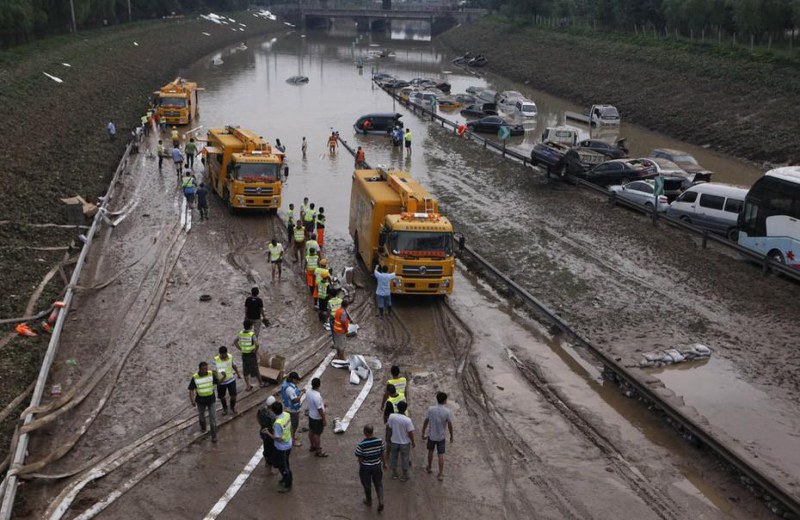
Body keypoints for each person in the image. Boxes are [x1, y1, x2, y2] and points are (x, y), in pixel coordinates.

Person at [422, 391, 454, 481]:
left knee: (430, 451)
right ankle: (440, 474)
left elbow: (426, 421)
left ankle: (429, 467)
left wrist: (423, 432)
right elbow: (450, 425)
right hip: (441, 436)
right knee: (440, 455)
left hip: (431, 435)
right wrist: (451, 436)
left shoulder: (431, 409)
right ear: (445, 401)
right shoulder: (447, 411)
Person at [355, 424, 386, 512]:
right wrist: (384, 464)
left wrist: (361, 467)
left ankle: (369, 500)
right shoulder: (380, 441)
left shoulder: (361, 445)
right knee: (378, 484)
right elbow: (382, 453)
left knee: (367, 485)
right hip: (377, 465)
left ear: (365, 432)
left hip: (366, 467)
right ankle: (381, 501)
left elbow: (360, 458)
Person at [265, 401, 293, 493]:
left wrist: (268, 433)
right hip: (288, 442)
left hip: (282, 447)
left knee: (283, 466)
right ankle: (285, 479)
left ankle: (288, 484)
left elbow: (278, 438)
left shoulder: (277, 423)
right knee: (285, 463)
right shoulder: (286, 414)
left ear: (274, 411)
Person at [188, 362, 218, 442]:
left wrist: (221, 375)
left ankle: (214, 436)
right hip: (200, 400)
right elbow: (191, 390)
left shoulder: (211, 374)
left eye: (207, 368)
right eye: (204, 369)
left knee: (213, 417)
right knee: (201, 415)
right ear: (200, 369)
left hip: (211, 399)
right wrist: (192, 400)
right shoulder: (195, 377)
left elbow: (218, 382)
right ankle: (203, 428)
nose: (206, 370)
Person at [386, 401, 415, 481]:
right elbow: (410, 433)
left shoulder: (392, 416)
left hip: (394, 441)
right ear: (405, 409)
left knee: (393, 457)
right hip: (405, 443)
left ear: (397, 407)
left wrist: (388, 438)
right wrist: (413, 442)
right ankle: (404, 475)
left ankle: (394, 473)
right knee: (405, 458)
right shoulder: (408, 420)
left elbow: (389, 428)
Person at [233, 319, 261, 390]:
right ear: (251, 326)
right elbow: (257, 344)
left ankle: (248, 386)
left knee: (245, 370)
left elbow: (235, 342)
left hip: (244, 354)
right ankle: (261, 383)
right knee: (255, 369)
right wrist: (255, 351)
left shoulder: (241, 333)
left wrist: (241, 348)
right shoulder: (251, 334)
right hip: (251, 354)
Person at [213, 346, 240, 415]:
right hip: (221, 382)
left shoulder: (230, 357)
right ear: (220, 354)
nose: (224, 356)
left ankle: (232, 407)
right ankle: (225, 409)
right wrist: (218, 378)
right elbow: (214, 371)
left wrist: (237, 373)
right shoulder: (215, 360)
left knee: (233, 396)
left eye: (225, 354)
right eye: (223, 354)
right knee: (222, 397)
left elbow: (233, 365)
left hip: (231, 379)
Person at [280, 372, 305, 447]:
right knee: (294, 425)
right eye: (297, 379)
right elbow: (295, 400)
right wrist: (302, 393)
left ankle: (292, 436)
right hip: (292, 410)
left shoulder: (287, 384)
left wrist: (299, 391)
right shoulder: (289, 389)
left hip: (288, 408)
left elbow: (294, 392)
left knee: (291, 425)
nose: (298, 381)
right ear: (293, 379)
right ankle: (293, 440)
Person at [307, 377, 328, 457]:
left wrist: (322, 405)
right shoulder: (317, 396)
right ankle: (318, 450)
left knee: (311, 431)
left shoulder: (309, 392)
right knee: (317, 434)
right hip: (317, 418)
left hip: (311, 415)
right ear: (319, 385)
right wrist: (324, 419)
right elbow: (319, 410)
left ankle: (312, 446)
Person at [258, 395, 278, 472]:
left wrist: (262, 427)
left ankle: (267, 462)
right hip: (269, 434)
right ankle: (269, 468)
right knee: (271, 450)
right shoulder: (272, 415)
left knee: (266, 448)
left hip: (263, 432)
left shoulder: (261, 410)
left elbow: (257, 418)